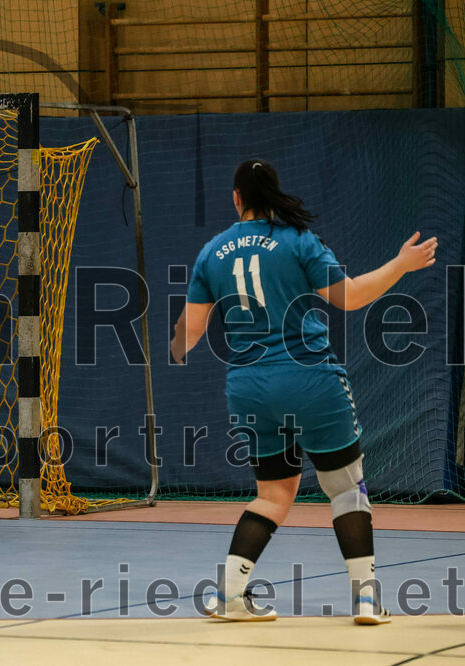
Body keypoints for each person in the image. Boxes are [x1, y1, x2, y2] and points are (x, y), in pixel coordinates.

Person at [170, 160, 437, 624]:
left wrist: (171, 344)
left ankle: (231, 597)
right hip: (309, 378)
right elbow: (349, 297)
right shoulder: (297, 240)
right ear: (274, 193)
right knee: (345, 488)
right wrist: (401, 264)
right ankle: (367, 599)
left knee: (272, 494)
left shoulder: (212, 252)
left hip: (250, 386)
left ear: (236, 198)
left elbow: (188, 335)